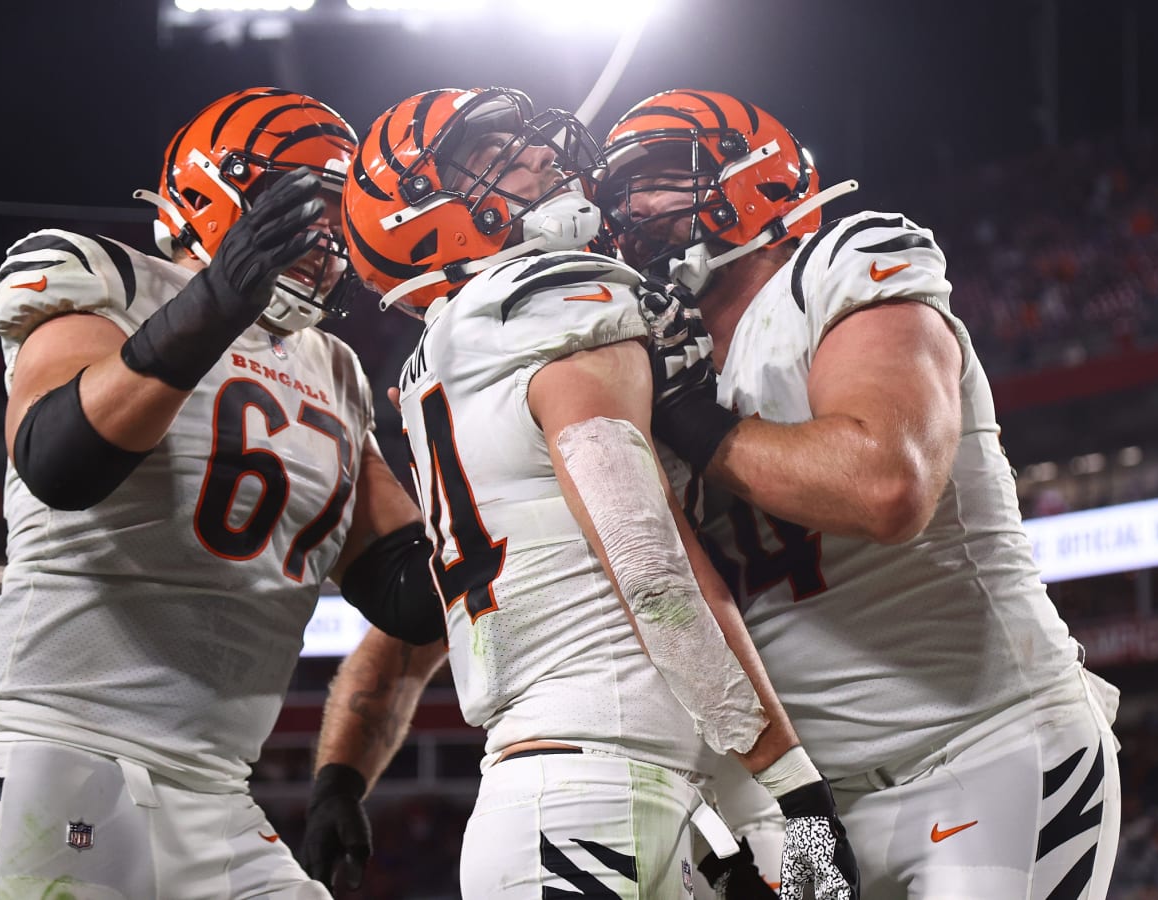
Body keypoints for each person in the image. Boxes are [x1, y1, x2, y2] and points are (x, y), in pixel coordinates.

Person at [301, 86, 859, 899]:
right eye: (494, 160)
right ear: (418, 214)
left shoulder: (443, 354)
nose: (540, 160)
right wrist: (796, 786)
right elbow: (643, 555)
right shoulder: (550, 296)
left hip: (599, 781)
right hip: (596, 788)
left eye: (528, 147)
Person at [595, 88, 1122, 899]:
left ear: (757, 176)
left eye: (663, 177)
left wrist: (700, 429)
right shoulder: (661, 366)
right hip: (807, 804)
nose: (634, 209)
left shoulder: (842, 265)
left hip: (985, 752)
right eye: (622, 193)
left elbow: (888, 486)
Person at [0, 86, 447, 898]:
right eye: (303, 207)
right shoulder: (105, 275)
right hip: (56, 748)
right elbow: (58, 462)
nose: (325, 238)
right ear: (214, 190)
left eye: (341, 217)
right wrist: (218, 304)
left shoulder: (333, 365)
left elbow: (410, 593)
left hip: (219, 790)